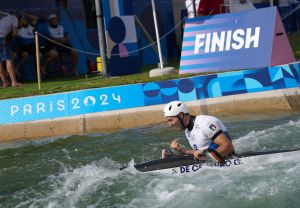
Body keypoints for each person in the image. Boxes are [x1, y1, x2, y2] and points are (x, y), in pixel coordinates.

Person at [163, 100, 235, 161]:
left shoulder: (205, 123)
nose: (170, 125)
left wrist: (205, 156)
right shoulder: (187, 130)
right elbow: (202, 151)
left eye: (170, 120)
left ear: (181, 115)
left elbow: (228, 146)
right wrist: (184, 151)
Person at [0, 11, 22, 87]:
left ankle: (5, 82)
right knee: (8, 59)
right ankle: (14, 82)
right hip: (2, 39)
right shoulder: (14, 18)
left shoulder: (3, 15)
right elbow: (15, 33)